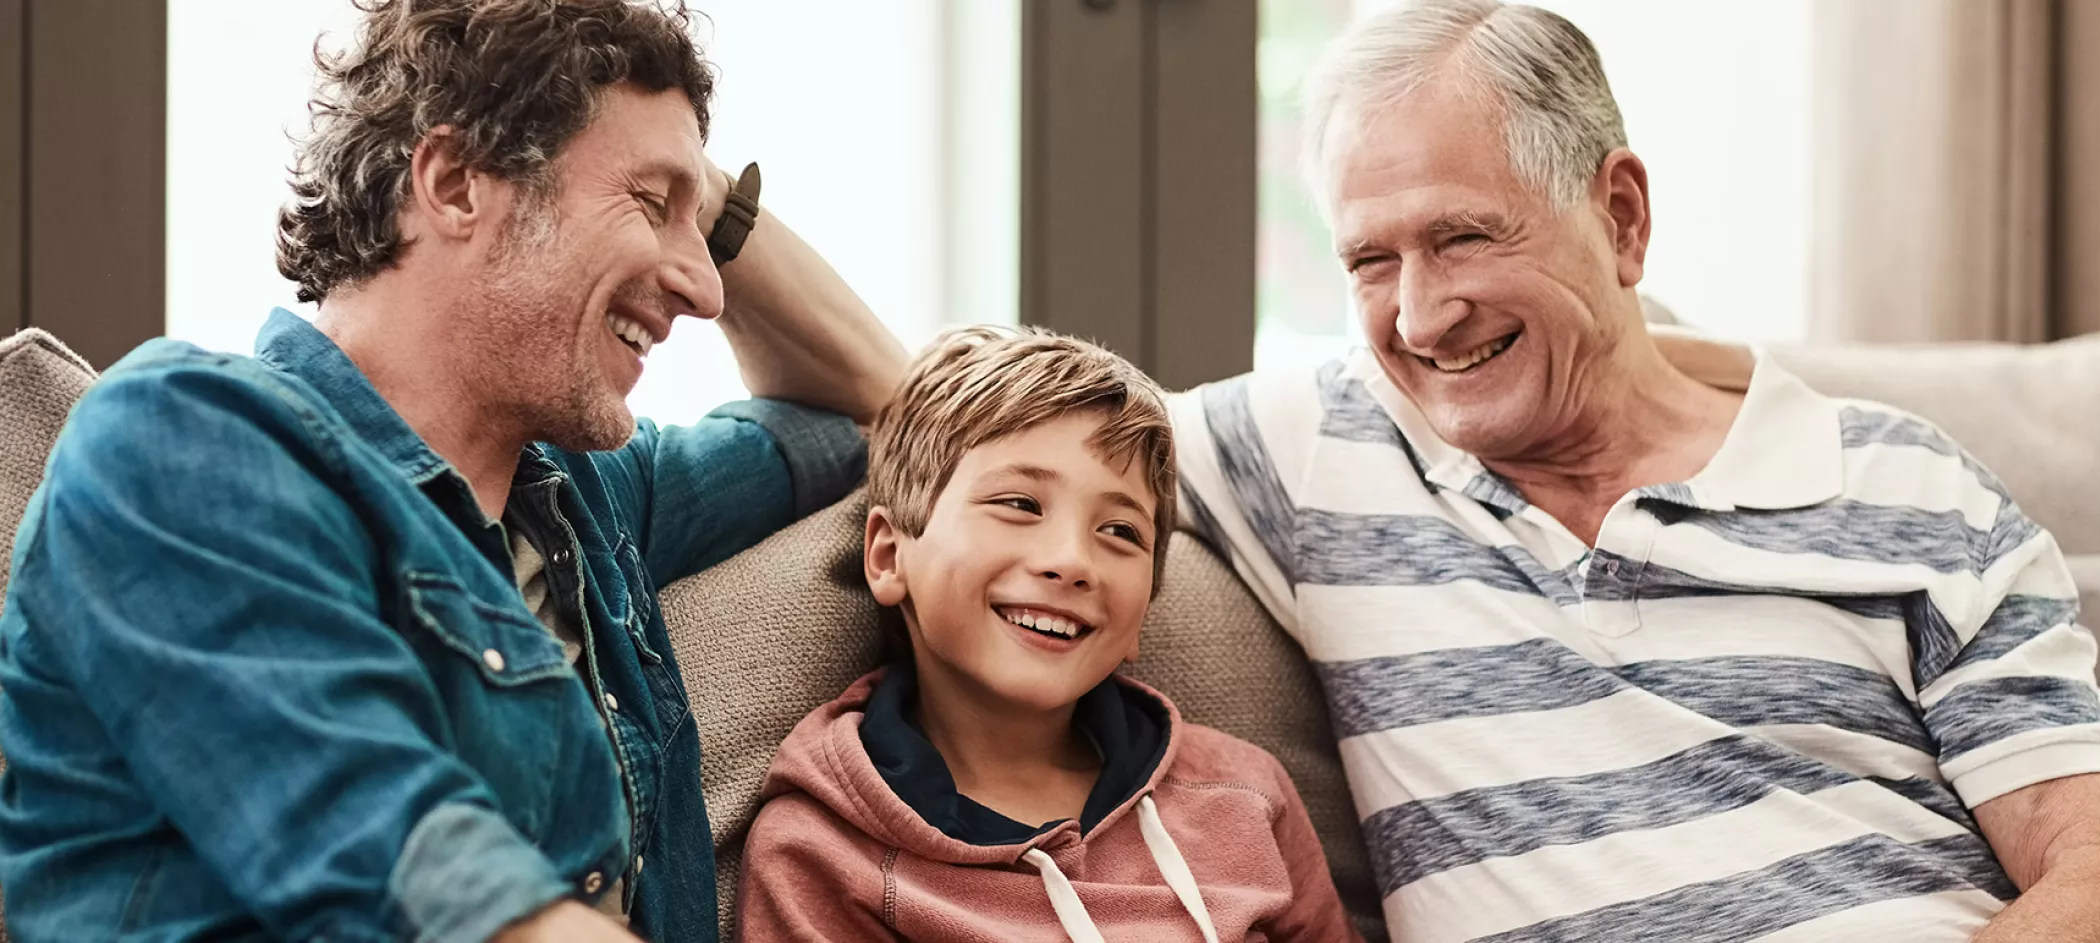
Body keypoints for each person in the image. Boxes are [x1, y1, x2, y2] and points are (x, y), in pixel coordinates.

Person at [1167, 1, 2100, 941]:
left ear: (1620, 216)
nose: (1421, 316)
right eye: (1370, 262)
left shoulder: (1910, 486)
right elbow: (1065, 422)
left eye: (1464, 236)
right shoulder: (1320, 446)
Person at [0, 2, 904, 941]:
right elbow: (409, 869)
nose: (707, 287)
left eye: (700, 228)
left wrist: (708, 194)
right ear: (457, 181)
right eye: (650, 203)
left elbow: (879, 407)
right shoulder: (180, 440)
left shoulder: (589, 500)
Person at [736, 327, 1359, 942]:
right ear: (888, 557)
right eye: (1020, 504)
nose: (1072, 561)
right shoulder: (820, 853)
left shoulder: (1245, 791)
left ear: (1143, 613)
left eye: (1120, 532)